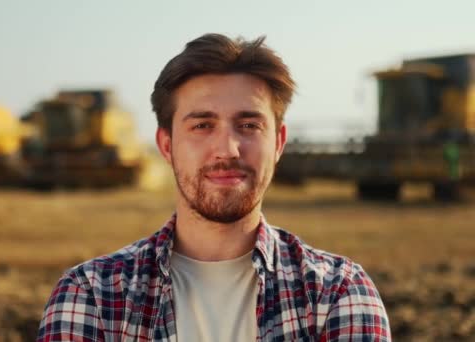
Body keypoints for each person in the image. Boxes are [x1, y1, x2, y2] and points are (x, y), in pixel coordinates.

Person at [37, 33, 391, 341]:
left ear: (279, 143)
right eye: (203, 125)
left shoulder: (338, 294)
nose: (227, 149)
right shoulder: (92, 296)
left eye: (249, 125)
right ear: (166, 145)